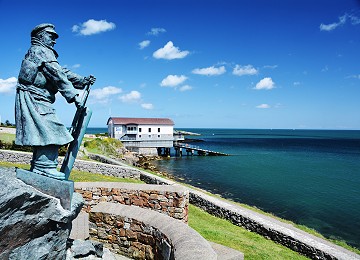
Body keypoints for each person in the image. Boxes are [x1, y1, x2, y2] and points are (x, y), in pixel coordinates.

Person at [15, 23, 96, 180]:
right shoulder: (40, 50)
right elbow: (57, 74)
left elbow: (61, 72)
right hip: (34, 97)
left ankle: (39, 166)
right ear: (40, 37)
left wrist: (82, 80)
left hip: (38, 97)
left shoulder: (42, 52)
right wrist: (73, 96)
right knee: (54, 130)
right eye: (51, 36)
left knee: (45, 132)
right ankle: (45, 168)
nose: (54, 40)